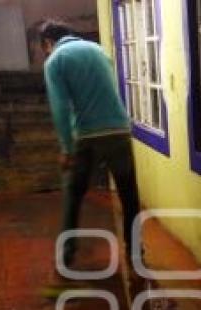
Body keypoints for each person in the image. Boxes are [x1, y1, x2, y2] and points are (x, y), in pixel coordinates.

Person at [40, 20, 140, 269]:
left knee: (73, 196)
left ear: (47, 43)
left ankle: (67, 257)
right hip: (119, 130)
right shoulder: (98, 50)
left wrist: (66, 149)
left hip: (87, 135)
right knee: (129, 195)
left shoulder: (55, 61)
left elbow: (60, 109)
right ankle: (136, 251)